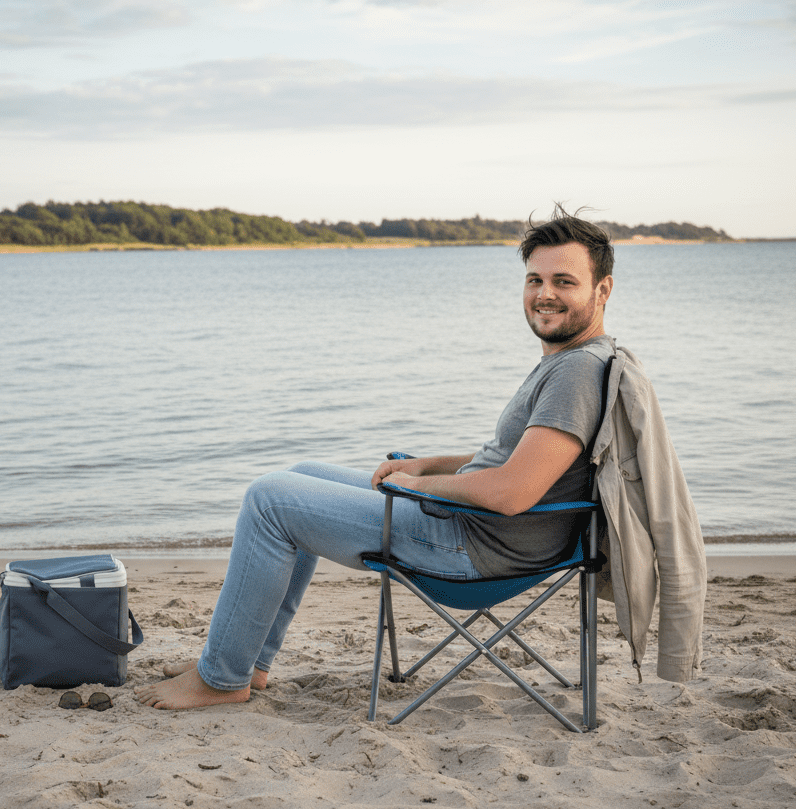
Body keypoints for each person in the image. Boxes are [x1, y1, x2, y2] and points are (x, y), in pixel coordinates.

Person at [136, 205, 616, 710]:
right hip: (484, 533)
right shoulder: (576, 361)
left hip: (473, 549)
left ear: (602, 289)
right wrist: (427, 465)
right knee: (301, 475)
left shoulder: (574, 373)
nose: (544, 294)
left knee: (269, 500)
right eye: (535, 279)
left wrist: (418, 488)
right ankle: (246, 660)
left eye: (564, 282)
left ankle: (221, 680)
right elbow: (515, 458)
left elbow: (512, 491)